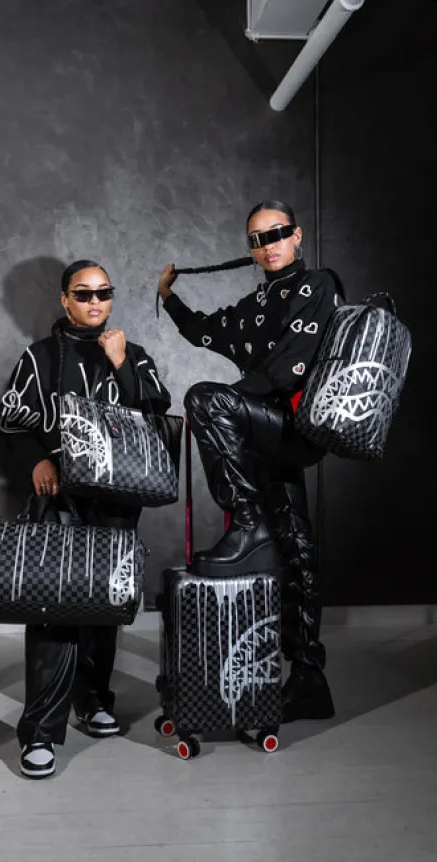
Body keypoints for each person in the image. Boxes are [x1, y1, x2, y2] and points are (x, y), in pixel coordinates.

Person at [156, 200, 338, 723]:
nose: (268, 245)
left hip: (291, 426)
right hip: (261, 432)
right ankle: (309, 678)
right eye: (257, 239)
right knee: (295, 543)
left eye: (276, 234)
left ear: (296, 235)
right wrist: (168, 297)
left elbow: (287, 369)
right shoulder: (255, 302)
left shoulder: (318, 285)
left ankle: (247, 522)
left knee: (207, 399)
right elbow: (204, 331)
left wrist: (229, 405)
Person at [0, 259, 171, 778]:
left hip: (119, 498)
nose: (95, 302)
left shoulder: (133, 354)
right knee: (53, 606)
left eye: (103, 293)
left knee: (103, 603)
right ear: (65, 299)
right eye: (83, 293)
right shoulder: (39, 357)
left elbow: (155, 416)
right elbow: (13, 422)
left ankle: (93, 698)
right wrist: (38, 460)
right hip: (63, 498)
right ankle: (40, 731)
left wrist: (121, 364)